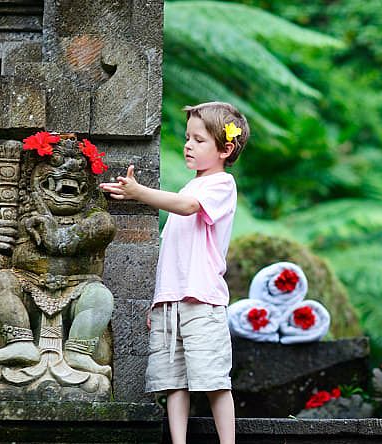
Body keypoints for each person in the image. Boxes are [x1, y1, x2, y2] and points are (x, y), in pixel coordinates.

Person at [99, 102, 249, 444]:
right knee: (172, 381)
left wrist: (139, 193)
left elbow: (188, 208)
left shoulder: (221, 185)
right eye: (187, 138)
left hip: (202, 301)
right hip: (171, 302)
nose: (188, 145)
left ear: (225, 149)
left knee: (213, 380)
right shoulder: (188, 188)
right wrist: (159, 301)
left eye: (198, 140)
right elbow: (173, 257)